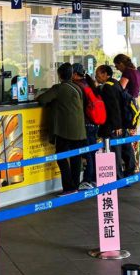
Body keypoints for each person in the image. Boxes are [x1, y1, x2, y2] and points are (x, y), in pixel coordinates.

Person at [36, 63, 87, 194]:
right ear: (71, 74)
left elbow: (42, 99)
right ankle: (75, 186)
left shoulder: (59, 88)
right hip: (79, 130)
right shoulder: (77, 87)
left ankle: (68, 188)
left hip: (64, 131)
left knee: (62, 157)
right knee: (76, 159)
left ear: (59, 75)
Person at [72, 63, 101, 190]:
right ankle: (94, 179)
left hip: (85, 122)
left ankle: (88, 179)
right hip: (94, 122)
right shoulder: (88, 83)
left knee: (87, 153)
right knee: (92, 151)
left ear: (74, 74)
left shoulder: (77, 86)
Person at [113, 54, 140, 177]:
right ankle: (135, 167)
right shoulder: (136, 72)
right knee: (133, 136)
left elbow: (120, 89)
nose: (116, 68)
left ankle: (130, 167)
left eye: (116, 65)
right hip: (135, 105)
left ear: (121, 63)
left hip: (127, 107)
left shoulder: (127, 73)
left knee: (127, 139)